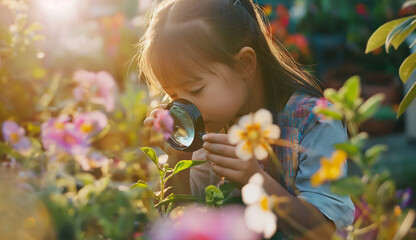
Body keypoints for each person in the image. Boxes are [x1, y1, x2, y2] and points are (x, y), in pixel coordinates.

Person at [139, 0, 355, 237]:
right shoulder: (213, 124)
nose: (183, 107)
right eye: (172, 95)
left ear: (244, 64)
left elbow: (324, 227)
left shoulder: (315, 121)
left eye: (196, 89)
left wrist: (254, 178)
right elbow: (182, 220)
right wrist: (178, 155)